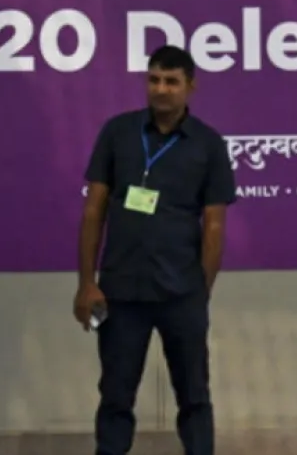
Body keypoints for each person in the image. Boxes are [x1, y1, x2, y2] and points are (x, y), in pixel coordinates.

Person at [75, 45, 236, 455]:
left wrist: (202, 291)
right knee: (115, 396)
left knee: (194, 397)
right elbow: (94, 210)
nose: (161, 89)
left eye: (171, 81)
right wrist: (86, 284)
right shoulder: (117, 133)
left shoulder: (209, 144)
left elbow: (214, 225)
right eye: (154, 79)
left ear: (190, 87)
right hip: (120, 293)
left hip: (181, 293)